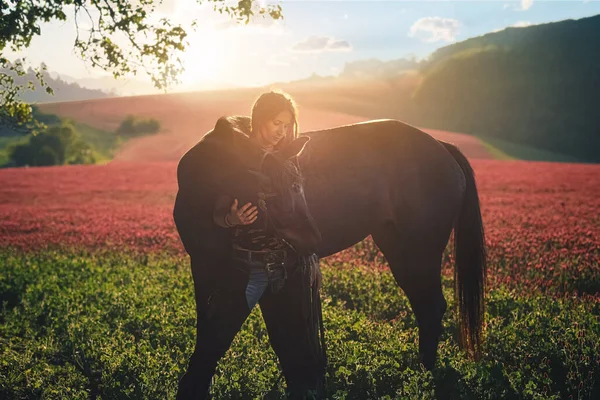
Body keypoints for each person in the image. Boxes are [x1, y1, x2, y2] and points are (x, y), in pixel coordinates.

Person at [175, 90, 327, 400]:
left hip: (286, 268)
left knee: (294, 347)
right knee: (212, 344)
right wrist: (231, 218)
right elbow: (217, 211)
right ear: (259, 119)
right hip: (249, 269)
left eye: (286, 125)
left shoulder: (286, 160)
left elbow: (298, 211)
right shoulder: (234, 158)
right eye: (276, 123)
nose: (281, 132)